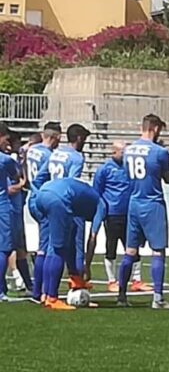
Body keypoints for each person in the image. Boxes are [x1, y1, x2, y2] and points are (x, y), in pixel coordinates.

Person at [117, 114, 169, 310]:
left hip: (133, 203)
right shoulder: (160, 152)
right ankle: (157, 297)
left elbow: (127, 175)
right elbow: (168, 178)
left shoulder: (128, 150)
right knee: (157, 251)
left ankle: (122, 295)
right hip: (152, 203)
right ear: (156, 128)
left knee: (130, 251)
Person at [35, 177, 106, 311]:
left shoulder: (83, 201)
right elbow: (92, 238)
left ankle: (47, 293)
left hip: (42, 194)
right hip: (58, 199)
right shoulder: (101, 206)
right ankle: (52, 298)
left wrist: (74, 272)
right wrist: (87, 265)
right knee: (59, 250)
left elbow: (73, 237)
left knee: (56, 245)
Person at [33, 123, 90, 286]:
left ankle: (43, 291)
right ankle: (75, 286)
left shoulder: (56, 153)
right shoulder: (77, 157)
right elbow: (70, 183)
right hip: (65, 204)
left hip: (48, 200)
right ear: (79, 138)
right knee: (74, 246)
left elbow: (38, 178)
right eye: (84, 138)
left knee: (49, 246)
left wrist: (42, 195)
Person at [93, 141, 149, 294]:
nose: (125, 155)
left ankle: (136, 280)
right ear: (114, 152)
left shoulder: (130, 168)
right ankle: (111, 280)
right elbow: (96, 191)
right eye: (123, 152)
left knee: (132, 247)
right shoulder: (104, 169)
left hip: (129, 213)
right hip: (111, 214)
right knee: (111, 247)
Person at [26, 123, 61, 302]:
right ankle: (41, 291)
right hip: (42, 198)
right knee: (46, 247)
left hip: (31, 197)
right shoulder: (49, 156)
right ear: (54, 137)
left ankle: (38, 290)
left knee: (43, 245)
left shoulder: (32, 150)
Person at [0, 123, 23, 302]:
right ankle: (0, 291)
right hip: (2, 205)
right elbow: (16, 177)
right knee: (5, 248)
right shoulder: (5, 159)